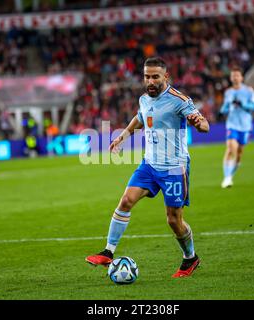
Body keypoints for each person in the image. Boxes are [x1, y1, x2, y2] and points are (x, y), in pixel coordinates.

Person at [85, 57, 209, 278]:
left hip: (173, 168)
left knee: (173, 220)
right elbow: (140, 118)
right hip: (149, 165)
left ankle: (190, 257)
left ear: (165, 77)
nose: (150, 81)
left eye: (155, 77)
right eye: (146, 76)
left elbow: (204, 125)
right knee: (126, 201)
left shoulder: (179, 100)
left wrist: (198, 123)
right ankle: (108, 252)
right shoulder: (144, 99)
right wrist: (122, 137)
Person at [219, 67, 254, 188]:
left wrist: (243, 104)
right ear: (231, 78)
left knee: (239, 154)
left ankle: (230, 175)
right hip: (232, 124)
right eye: (233, 76)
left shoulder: (249, 91)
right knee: (231, 149)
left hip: (245, 126)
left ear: (241, 78)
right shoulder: (228, 92)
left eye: (237, 75)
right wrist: (228, 106)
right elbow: (223, 109)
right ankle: (227, 178)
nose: (235, 78)